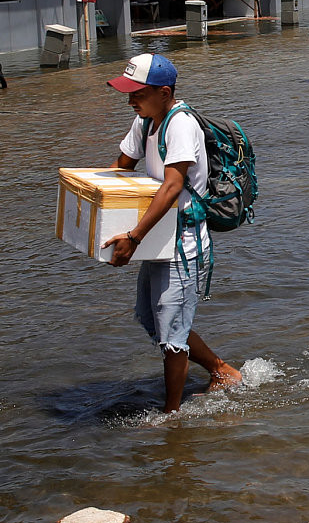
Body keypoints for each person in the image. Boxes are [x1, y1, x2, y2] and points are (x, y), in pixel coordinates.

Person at [101, 53, 242, 414]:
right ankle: (221, 370)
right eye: (128, 93)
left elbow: (172, 186)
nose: (130, 100)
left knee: (172, 333)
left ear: (164, 92)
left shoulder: (180, 125)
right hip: (156, 235)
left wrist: (132, 238)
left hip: (183, 242)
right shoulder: (145, 120)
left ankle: (171, 415)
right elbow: (121, 169)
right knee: (152, 320)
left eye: (137, 93)